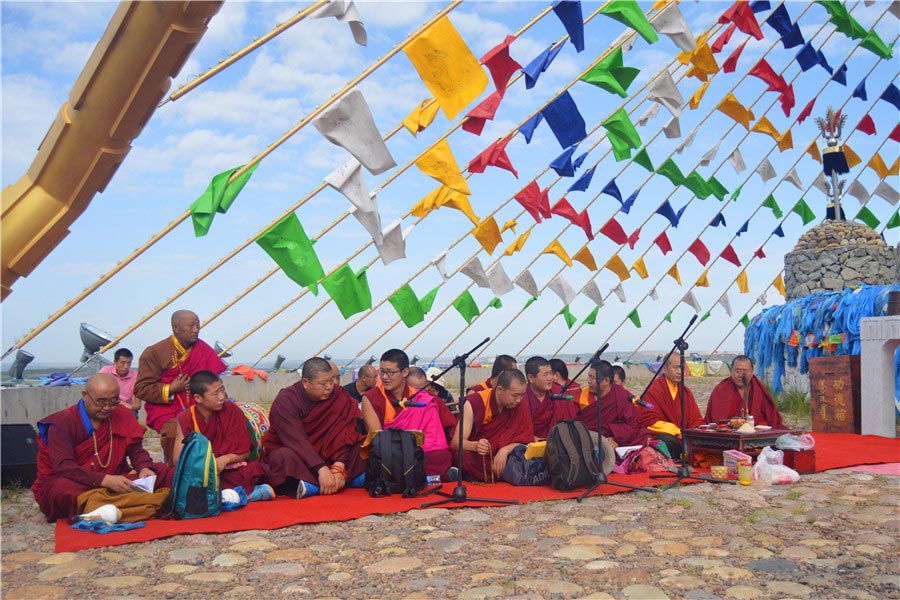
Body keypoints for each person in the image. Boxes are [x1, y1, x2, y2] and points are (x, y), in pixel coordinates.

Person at [32, 373, 170, 521]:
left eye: (113, 402)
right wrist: (104, 480)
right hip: (78, 483)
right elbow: (64, 467)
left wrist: (144, 468)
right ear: (85, 395)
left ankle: (111, 509)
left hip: (114, 481)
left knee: (162, 471)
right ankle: (145, 503)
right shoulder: (62, 423)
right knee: (61, 489)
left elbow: (136, 450)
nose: (107, 408)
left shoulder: (122, 414)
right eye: (101, 402)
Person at [264, 357, 366, 498]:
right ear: (305, 382)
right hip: (302, 459)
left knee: (365, 446)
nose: (329, 387)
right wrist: (321, 468)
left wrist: (339, 465)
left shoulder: (339, 394)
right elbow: (295, 440)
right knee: (282, 457)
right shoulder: (287, 400)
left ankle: (313, 487)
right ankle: (340, 482)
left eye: (332, 381)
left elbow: (346, 430)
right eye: (323, 383)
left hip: (332, 456)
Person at [134, 310, 226, 466]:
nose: (196, 329)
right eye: (191, 326)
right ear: (176, 327)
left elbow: (213, 381)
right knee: (173, 432)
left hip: (202, 405)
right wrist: (171, 388)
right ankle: (175, 473)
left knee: (227, 423)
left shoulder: (203, 350)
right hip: (169, 409)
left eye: (198, 325)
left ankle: (216, 468)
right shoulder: (155, 352)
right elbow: (141, 388)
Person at [362, 349, 457, 479]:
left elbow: (447, 428)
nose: (384, 377)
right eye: (382, 372)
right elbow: (378, 440)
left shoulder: (423, 397)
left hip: (424, 452)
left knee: (441, 456)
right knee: (390, 461)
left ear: (405, 372)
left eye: (390, 372)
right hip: (393, 454)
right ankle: (430, 478)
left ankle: (422, 477)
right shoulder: (372, 398)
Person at [173, 371, 269, 493]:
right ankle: (241, 494)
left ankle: (223, 494)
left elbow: (245, 452)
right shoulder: (186, 418)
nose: (222, 397)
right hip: (201, 472)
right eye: (215, 394)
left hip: (229, 469)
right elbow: (177, 459)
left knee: (255, 469)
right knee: (172, 477)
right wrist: (205, 463)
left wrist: (225, 459)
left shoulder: (232, 410)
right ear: (198, 398)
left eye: (222, 390)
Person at [453, 369, 533, 482]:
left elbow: (526, 440)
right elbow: (456, 442)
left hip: (507, 456)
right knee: (462, 456)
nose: (519, 400)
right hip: (480, 456)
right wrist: (475, 446)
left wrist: (505, 450)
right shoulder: (475, 402)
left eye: (522, 395)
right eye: (515, 395)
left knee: (523, 456)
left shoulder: (520, 405)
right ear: (500, 389)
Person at [638, 354, 705, 459]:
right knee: (667, 441)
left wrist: (692, 433)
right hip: (665, 436)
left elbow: (696, 419)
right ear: (664, 368)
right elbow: (648, 420)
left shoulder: (685, 392)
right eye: (676, 367)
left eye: (682, 368)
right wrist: (676, 431)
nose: (680, 372)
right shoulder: (655, 390)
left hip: (684, 436)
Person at [577, 361, 653, 449]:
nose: (589, 381)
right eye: (589, 376)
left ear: (606, 381)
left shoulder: (622, 396)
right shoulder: (583, 394)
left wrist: (616, 439)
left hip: (615, 442)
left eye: (592, 378)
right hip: (589, 441)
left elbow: (632, 427)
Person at [706, 356, 785, 428]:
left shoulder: (758, 389)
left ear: (751, 373)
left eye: (745, 371)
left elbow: (771, 417)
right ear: (731, 371)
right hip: (728, 431)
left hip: (755, 431)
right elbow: (716, 419)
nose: (741, 375)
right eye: (738, 371)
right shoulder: (721, 389)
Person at [525, 356, 576, 439]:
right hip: (531, 445)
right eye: (545, 374)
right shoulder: (522, 397)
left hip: (559, 444)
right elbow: (518, 430)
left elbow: (570, 425)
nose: (550, 378)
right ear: (531, 378)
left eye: (551, 373)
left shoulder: (558, 392)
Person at [99, 348, 140, 417]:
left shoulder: (136, 377)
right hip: (106, 405)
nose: (126, 366)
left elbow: (138, 405)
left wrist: (130, 407)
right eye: (123, 363)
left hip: (125, 408)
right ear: (115, 362)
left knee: (132, 415)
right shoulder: (105, 371)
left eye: (129, 363)